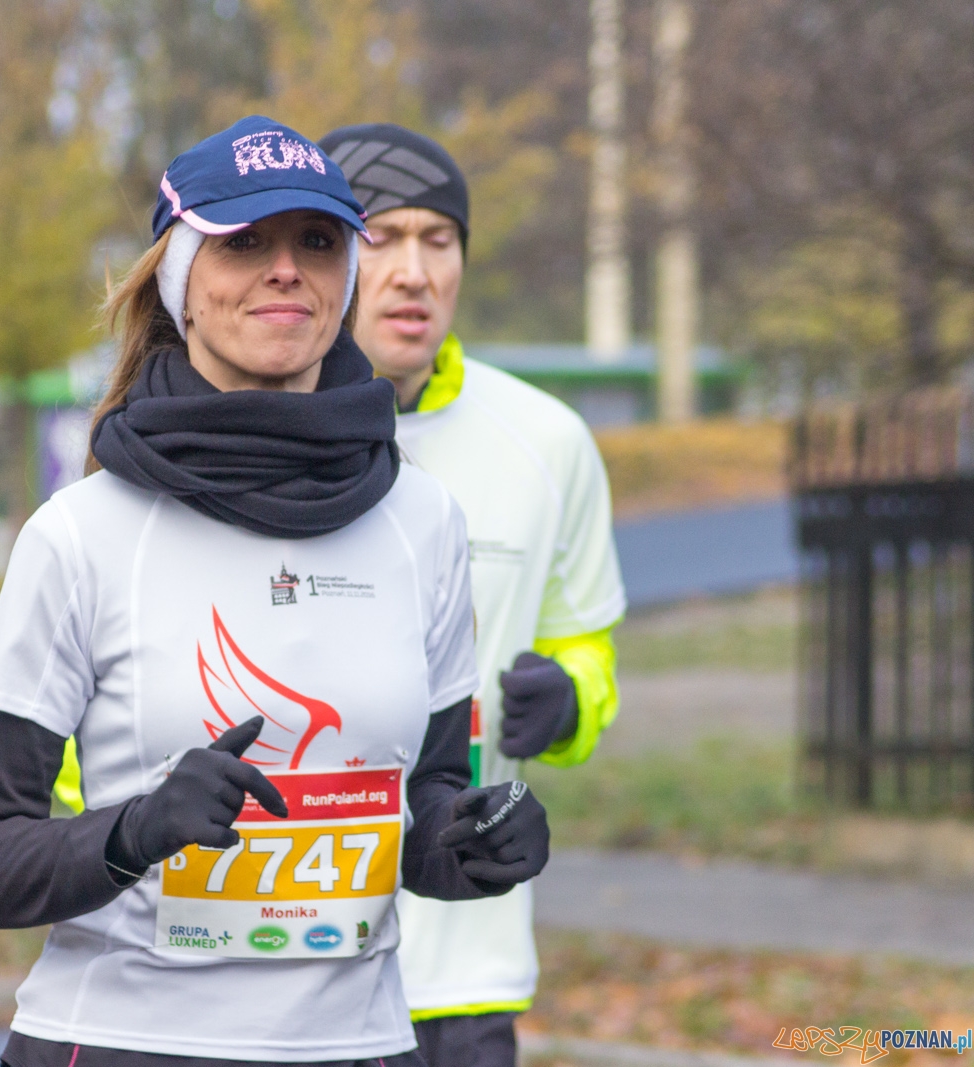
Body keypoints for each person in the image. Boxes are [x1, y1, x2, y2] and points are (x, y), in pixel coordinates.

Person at [0, 115, 552, 1067]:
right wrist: (137, 830)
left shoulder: (422, 520)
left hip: (361, 1045)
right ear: (180, 280)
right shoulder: (83, 535)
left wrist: (469, 845)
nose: (285, 269)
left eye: (317, 240)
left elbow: (422, 800)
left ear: (347, 274)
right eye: (244, 242)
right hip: (120, 1040)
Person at [319, 123, 627, 1067]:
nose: (413, 270)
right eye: (381, 236)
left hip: (467, 970)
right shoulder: (252, 433)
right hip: (288, 962)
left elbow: (587, 645)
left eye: (438, 239)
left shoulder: (547, 441)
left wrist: (571, 698)